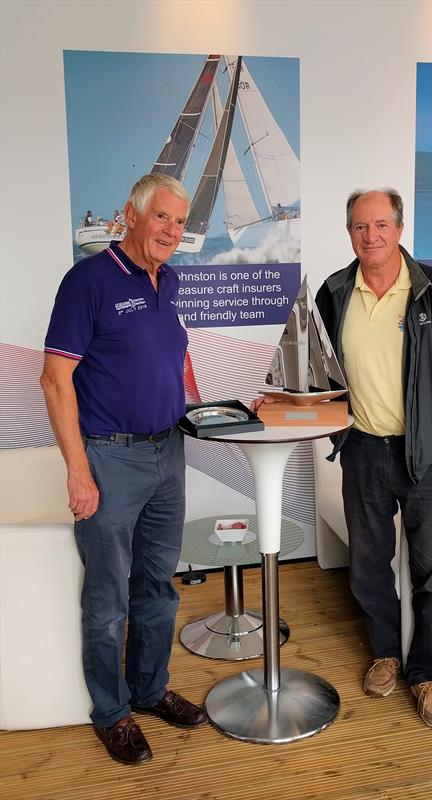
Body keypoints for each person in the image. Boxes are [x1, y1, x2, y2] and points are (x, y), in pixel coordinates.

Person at [40, 173, 208, 766]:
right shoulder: (87, 280)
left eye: (180, 222)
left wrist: (211, 401)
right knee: (109, 598)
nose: (171, 230)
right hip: (109, 458)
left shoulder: (172, 280)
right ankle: (111, 714)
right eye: (161, 217)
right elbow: (55, 378)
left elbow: (166, 362)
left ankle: (149, 690)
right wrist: (78, 472)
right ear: (131, 216)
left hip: (169, 453)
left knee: (157, 588)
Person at [315, 189, 432, 729]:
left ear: (400, 229)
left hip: (428, 456)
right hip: (363, 450)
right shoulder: (334, 292)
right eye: (360, 226)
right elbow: (319, 374)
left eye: (381, 224)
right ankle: (386, 653)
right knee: (368, 564)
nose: (371, 236)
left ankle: (425, 674)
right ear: (349, 232)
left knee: (431, 573)